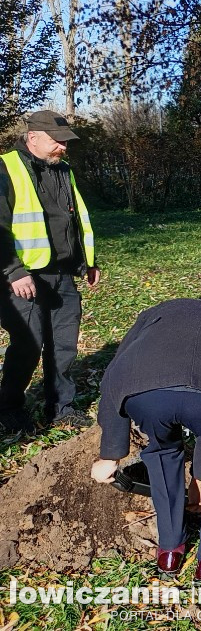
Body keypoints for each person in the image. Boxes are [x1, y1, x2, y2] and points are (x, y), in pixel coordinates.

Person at [91, 298, 201, 581]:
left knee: (162, 452)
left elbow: (114, 376)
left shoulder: (152, 317)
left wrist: (110, 455)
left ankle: (169, 553)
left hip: (145, 395)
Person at [0, 110, 100, 434]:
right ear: (33, 138)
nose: (63, 148)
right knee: (28, 345)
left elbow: (74, 219)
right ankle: (10, 408)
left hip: (62, 273)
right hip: (24, 276)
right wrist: (14, 271)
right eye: (58, 142)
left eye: (66, 142)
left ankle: (61, 408)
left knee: (64, 345)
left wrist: (87, 262)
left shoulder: (63, 170)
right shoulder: (6, 168)